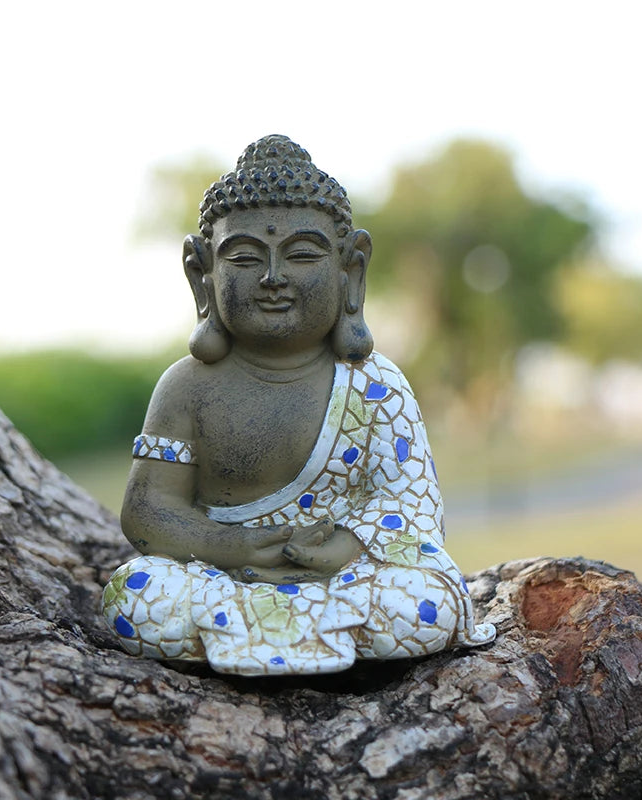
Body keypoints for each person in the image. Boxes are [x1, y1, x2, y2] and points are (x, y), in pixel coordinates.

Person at [101, 135, 495, 675]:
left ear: (350, 269)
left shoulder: (375, 384)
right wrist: (233, 547)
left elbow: (414, 504)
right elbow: (147, 511)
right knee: (137, 593)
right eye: (243, 258)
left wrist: (345, 545)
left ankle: (265, 640)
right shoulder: (186, 386)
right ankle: (315, 640)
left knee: (425, 598)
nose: (273, 278)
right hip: (223, 575)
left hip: (345, 573)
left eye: (303, 255)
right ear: (202, 274)